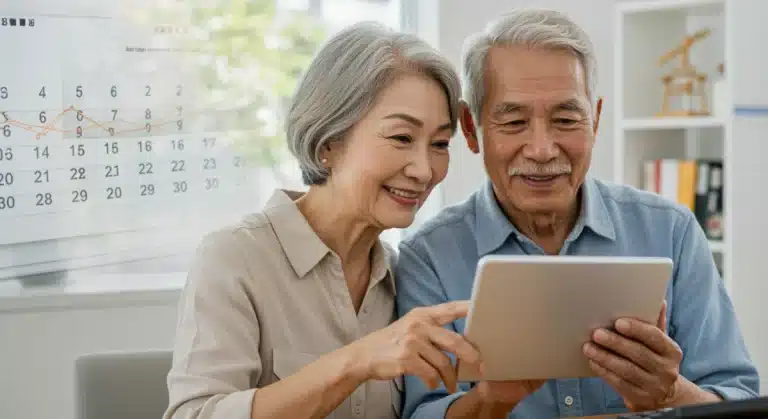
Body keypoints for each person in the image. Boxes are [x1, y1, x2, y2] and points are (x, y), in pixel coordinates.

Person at [395, 9, 760, 419]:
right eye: (514, 121)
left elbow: (740, 401)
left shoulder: (670, 231)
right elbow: (419, 413)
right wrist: (490, 400)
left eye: (566, 119)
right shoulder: (428, 256)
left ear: (595, 120)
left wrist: (671, 392)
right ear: (470, 128)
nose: (542, 149)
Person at [163, 21, 485, 419]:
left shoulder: (405, 278)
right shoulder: (235, 258)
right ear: (329, 142)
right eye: (401, 138)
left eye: (439, 144)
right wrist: (356, 361)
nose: (424, 169)